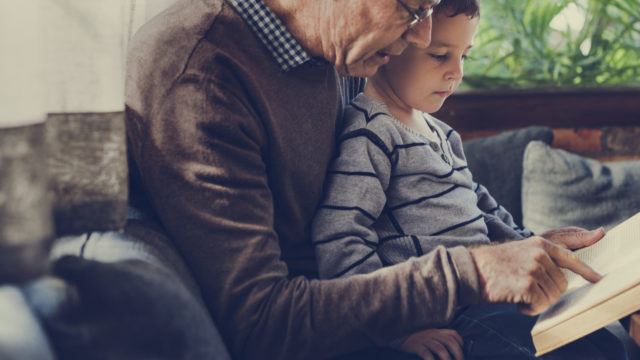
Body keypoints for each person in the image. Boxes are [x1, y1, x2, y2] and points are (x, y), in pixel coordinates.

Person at [125, 0, 609, 358]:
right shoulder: (201, 73)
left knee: (595, 329)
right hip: (331, 333)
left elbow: (422, 192)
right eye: (412, 8)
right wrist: (473, 272)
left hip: (395, 305)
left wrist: (528, 248)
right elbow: (261, 322)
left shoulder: (340, 50)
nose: (420, 38)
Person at [312, 1, 627, 358]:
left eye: (465, 56)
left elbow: (482, 209)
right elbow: (340, 237)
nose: (456, 73)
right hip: (452, 314)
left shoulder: (443, 134)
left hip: (488, 297)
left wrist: (536, 249)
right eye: (440, 56)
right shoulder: (371, 134)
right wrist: (396, 333)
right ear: (391, 47)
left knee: (605, 339)